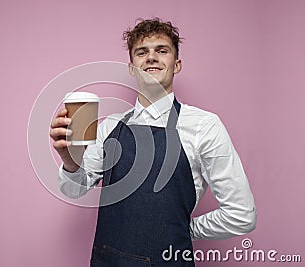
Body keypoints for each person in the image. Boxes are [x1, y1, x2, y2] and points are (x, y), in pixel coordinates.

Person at [50, 18, 256, 266]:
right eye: (142, 52)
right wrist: (69, 160)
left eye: (162, 50)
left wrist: (183, 229)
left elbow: (242, 215)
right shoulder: (109, 127)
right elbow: (74, 189)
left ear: (176, 64)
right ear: (131, 67)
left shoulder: (204, 126)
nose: (151, 58)